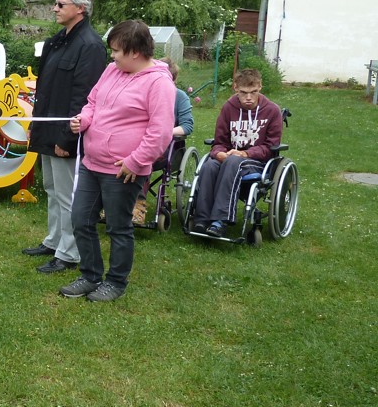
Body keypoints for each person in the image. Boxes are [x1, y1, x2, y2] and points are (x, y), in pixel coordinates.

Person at [63, 20, 176, 302]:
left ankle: (115, 282)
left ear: (135, 51)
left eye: (116, 50)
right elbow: (92, 102)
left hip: (123, 170)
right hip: (92, 163)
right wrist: (84, 119)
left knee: (118, 227)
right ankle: (90, 276)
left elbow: (160, 132)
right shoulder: (112, 70)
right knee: (81, 220)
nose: (112, 55)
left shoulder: (159, 83)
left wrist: (135, 162)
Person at [23, 0, 107, 274]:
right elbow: (44, 89)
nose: (54, 8)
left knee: (68, 194)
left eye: (60, 4)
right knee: (51, 188)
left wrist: (67, 138)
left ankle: (69, 253)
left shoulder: (91, 46)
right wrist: (35, 124)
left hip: (66, 133)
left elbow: (84, 99)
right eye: (56, 3)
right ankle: (54, 240)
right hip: (47, 127)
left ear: (81, 8)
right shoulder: (59, 40)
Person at [190, 68, 283, 237]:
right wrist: (219, 153)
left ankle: (220, 220)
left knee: (233, 161)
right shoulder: (229, 108)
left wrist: (245, 154)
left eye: (253, 92)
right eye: (244, 92)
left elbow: (271, 146)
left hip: (257, 162)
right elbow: (219, 141)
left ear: (260, 87)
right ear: (235, 88)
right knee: (210, 166)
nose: (249, 97)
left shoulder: (272, 111)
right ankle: (201, 220)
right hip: (230, 157)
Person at [133, 57, 195, 224]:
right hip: (143, 142)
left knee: (144, 158)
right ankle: (117, 203)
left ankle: (137, 206)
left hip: (169, 148)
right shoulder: (145, 94)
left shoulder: (179, 96)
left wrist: (162, 132)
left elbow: (187, 126)